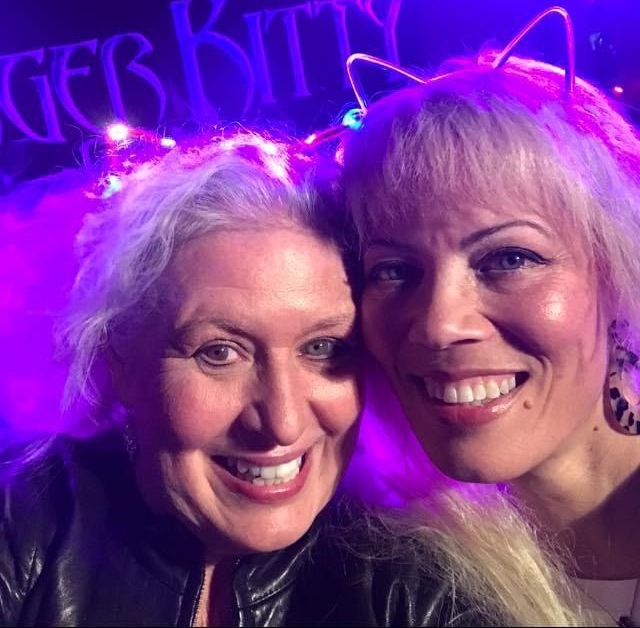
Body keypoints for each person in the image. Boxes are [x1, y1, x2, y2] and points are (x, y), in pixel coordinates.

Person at [0, 131, 470, 626]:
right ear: (121, 359)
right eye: (220, 352)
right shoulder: (23, 527)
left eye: (323, 348)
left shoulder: (415, 582)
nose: (283, 424)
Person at [339, 32, 640, 625]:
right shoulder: (386, 581)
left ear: (617, 271)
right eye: (393, 271)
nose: (439, 326)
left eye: (509, 258)